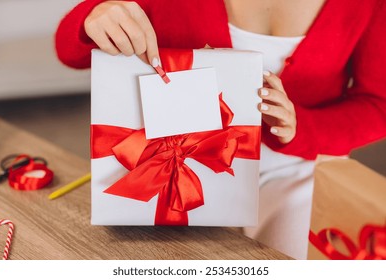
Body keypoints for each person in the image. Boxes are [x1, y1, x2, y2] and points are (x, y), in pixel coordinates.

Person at [55, 0, 386, 259]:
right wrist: (94, 17)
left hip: (297, 170)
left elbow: (378, 104)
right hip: (174, 167)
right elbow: (69, 51)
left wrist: (302, 127)